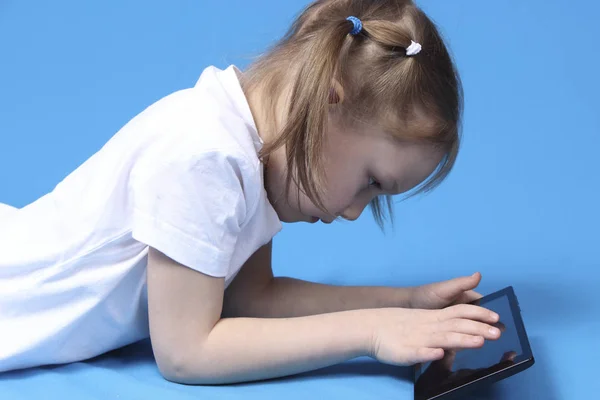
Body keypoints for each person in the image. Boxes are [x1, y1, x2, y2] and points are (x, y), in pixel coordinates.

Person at [0, 0, 503, 384]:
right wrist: (371, 333)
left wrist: (405, 305)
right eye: (371, 182)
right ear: (329, 98)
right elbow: (187, 350)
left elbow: (249, 296)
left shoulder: (254, 155)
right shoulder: (207, 156)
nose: (353, 213)